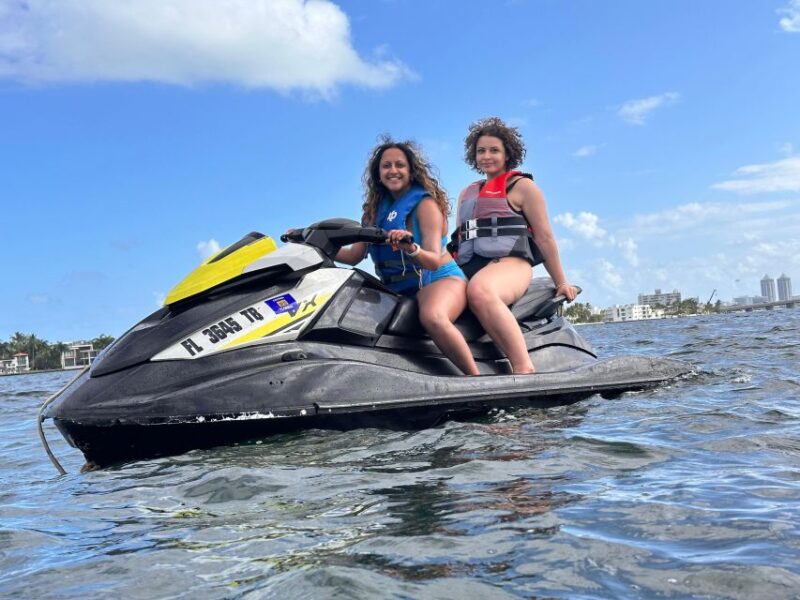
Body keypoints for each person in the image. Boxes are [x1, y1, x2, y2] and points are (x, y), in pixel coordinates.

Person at [335, 137, 480, 376]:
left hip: (440, 280)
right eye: (386, 166)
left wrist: (411, 248)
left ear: (411, 170)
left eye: (400, 165)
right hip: (399, 291)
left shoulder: (425, 206)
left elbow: (433, 260)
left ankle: (475, 380)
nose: (393, 171)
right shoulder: (372, 213)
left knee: (433, 317)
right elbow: (353, 256)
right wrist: (319, 246)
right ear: (378, 173)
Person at [455, 117, 578, 374]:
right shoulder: (467, 194)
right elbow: (459, 239)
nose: (486, 156)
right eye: (481, 151)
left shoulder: (524, 188)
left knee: (481, 291)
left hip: (511, 264)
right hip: (468, 264)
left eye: (494, 150)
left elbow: (545, 238)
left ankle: (524, 369)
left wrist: (561, 281)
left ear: (508, 153)